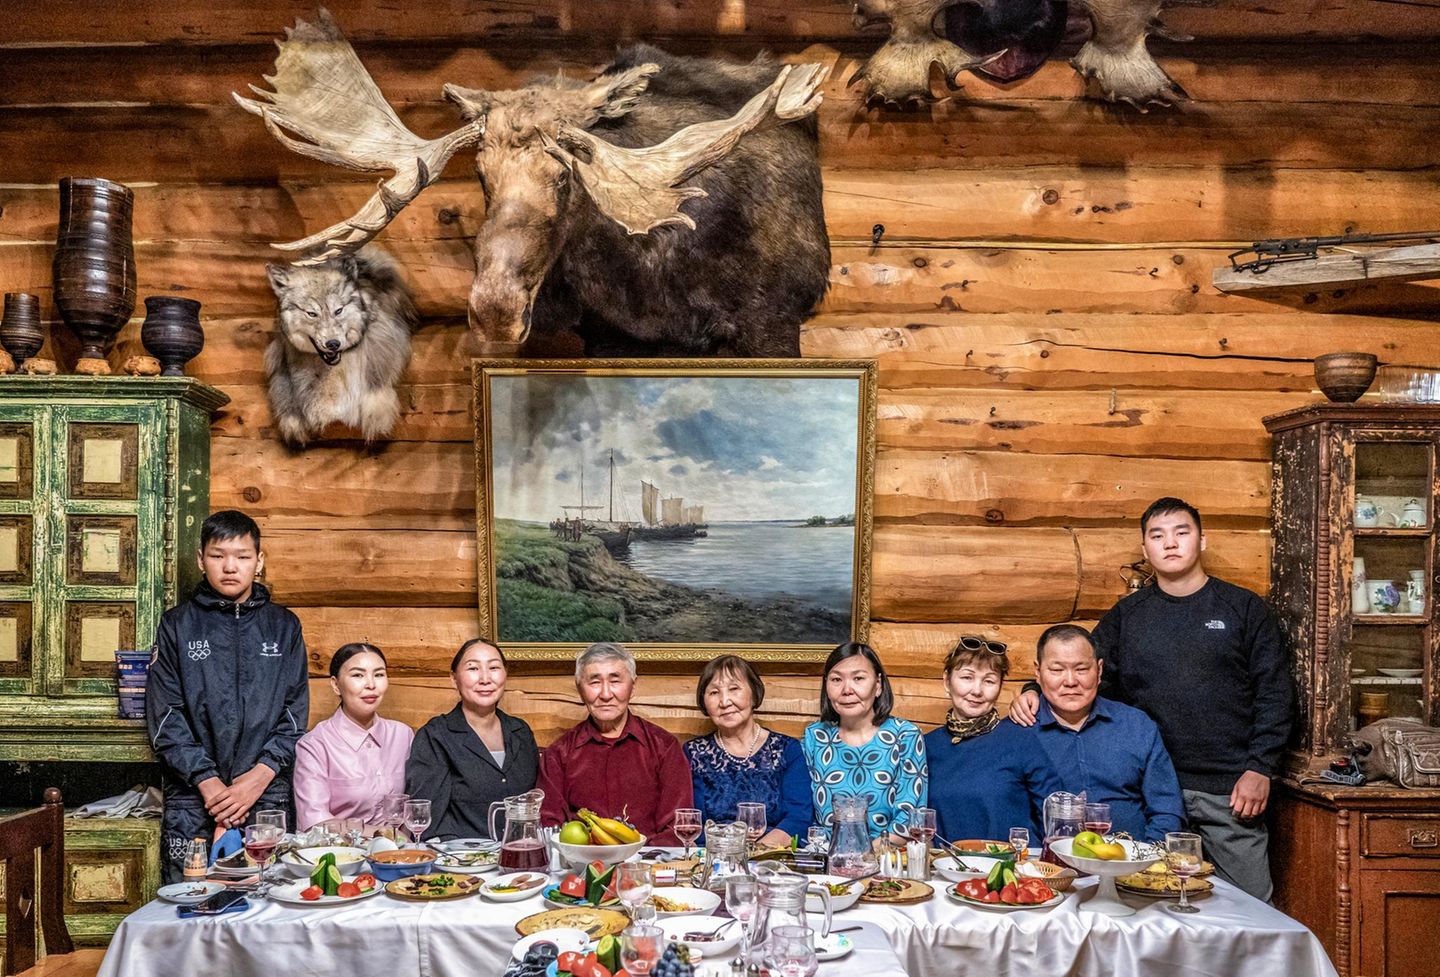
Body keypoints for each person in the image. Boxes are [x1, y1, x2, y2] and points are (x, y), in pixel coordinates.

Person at [1009, 498, 1293, 899]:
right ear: (1146, 549)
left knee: (1249, 908)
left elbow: (1275, 692)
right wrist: (1031, 692)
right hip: (1153, 792)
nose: (1171, 543)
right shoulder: (1128, 615)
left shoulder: (1243, 609)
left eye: (1182, 532)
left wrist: (1261, 767)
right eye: (1158, 536)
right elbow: (1080, 663)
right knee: (1155, 905)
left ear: (1202, 540)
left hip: (1226, 791)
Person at [146, 510, 308, 882]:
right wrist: (211, 785)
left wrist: (257, 778)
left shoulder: (284, 627)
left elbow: (295, 715)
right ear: (201, 560)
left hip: (266, 795)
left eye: (243, 556)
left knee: (270, 905)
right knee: (191, 907)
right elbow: (165, 718)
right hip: (194, 797)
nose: (230, 567)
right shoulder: (177, 625)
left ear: (259, 561)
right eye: (218, 556)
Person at [1025, 624, 1184, 843]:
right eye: (1057, 670)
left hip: (1131, 865)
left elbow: (1167, 809)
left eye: (1081, 669)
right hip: (1046, 869)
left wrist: (1147, 857)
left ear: (1099, 670)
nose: (1070, 681)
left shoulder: (1136, 726)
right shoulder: (1020, 731)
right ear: (1038, 672)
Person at [538, 642, 693, 845]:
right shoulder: (559, 754)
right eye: (594, 682)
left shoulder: (664, 747)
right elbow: (549, 825)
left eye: (615, 681)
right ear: (579, 689)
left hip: (648, 864)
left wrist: (640, 860)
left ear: (632, 686)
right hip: (580, 867)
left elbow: (677, 827)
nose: (605, 694)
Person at [923, 636, 1057, 843]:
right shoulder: (926, 746)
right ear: (946, 681)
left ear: (1000, 687)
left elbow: (1054, 814)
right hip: (941, 870)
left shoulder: (1021, 740)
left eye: (989, 681)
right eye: (967, 677)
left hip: (1007, 870)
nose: (977, 691)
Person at [407, 638, 540, 839]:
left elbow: (535, 804)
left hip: (521, 855)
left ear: (505, 675)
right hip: (461, 860)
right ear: (454, 679)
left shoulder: (520, 732)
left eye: (494, 667)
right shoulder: (435, 736)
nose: (485, 678)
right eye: (473, 668)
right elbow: (429, 820)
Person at [802, 642, 927, 840]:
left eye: (858, 678)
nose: (846, 690)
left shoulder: (905, 735)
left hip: (886, 859)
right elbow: (803, 811)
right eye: (836, 679)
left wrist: (866, 856)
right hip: (826, 857)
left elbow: (910, 817)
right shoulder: (815, 736)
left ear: (878, 685)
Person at [684, 655, 812, 846]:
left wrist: (754, 855)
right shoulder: (693, 753)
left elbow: (798, 818)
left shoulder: (786, 750)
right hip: (714, 859)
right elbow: (694, 823)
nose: (724, 701)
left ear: (754, 693)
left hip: (773, 859)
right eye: (714, 693)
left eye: (734, 689)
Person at [293, 643, 414, 831]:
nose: (371, 684)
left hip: (398, 855)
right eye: (358, 675)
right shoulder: (315, 744)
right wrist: (376, 834)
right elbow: (313, 820)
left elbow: (415, 805)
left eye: (379, 674)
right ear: (335, 684)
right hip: (341, 854)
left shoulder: (403, 735)